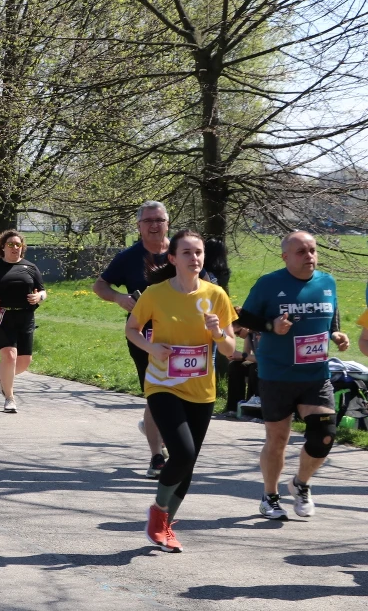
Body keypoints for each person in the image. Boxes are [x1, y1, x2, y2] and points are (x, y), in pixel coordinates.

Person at [125, 230, 236, 552]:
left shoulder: (216, 295)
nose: (195, 258)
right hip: (163, 385)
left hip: (202, 390)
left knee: (188, 464)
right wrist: (150, 346)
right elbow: (131, 328)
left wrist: (218, 333)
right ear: (172, 258)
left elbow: (231, 349)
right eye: (186, 252)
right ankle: (159, 512)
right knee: (183, 453)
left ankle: (165, 526)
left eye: (198, 252)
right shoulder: (156, 294)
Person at [236, 230, 350, 519]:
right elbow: (244, 319)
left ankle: (300, 483)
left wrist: (335, 333)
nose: (309, 256)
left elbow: (331, 314)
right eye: (301, 252)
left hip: (315, 375)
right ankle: (270, 496)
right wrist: (272, 326)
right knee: (278, 440)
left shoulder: (327, 281)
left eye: (312, 250)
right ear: (285, 256)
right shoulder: (269, 284)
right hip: (277, 374)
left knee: (324, 436)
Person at [93, 200, 171, 477]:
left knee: (181, 394)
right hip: (143, 334)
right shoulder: (128, 257)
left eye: (159, 220)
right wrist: (118, 297)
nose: (154, 225)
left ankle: (162, 430)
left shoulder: (182, 252)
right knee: (155, 393)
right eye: (148, 221)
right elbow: (99, 284)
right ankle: (156, 456)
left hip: (183, 335)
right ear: (138, 226)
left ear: (167, 223)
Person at [0, 230, 46, 412]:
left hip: (25, 316)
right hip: (1, 316)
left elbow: (43, 290)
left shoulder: (30, 267)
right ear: (2, 247)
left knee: (24, 362)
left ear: (22, 247)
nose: (15, 248)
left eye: (18, 245)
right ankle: (10, 398)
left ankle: (2, 376)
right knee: (9, 355)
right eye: (11, 244)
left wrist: (40, 298)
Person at [222, 318, 258, 417]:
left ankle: (252, 406)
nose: (238, 336)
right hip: (257, 362)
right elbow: (246, 355)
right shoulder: (248, 335)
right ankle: (233, 408)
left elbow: (264, 359)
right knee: (235, 366)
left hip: (267, 365)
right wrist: (235, 357)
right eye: (235, 334)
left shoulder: (258, 333)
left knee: (254, 368)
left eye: (238, 332)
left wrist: (243, 355)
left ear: (245, 326)